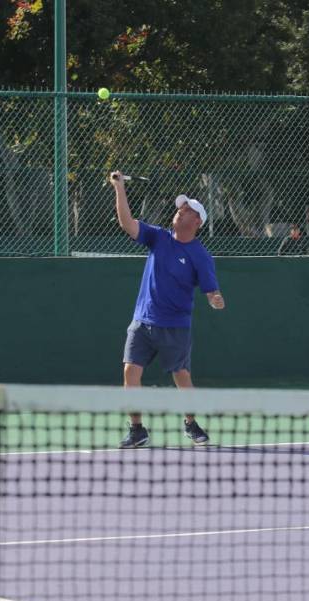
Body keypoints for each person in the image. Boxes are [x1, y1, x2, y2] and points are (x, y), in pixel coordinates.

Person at [111, 171, 225, 448]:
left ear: (197, 221)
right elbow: (127, 223)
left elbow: (211, 290)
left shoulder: (200, 255)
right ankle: (137, 430)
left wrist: (216, 299)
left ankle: (190, 423)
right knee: (130, 372)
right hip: (142, 321)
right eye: (180, 208)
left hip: (175, 326)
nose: (180, 210)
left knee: (181, 376)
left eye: (186, 209)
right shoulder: (158, 237)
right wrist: (119, 188)